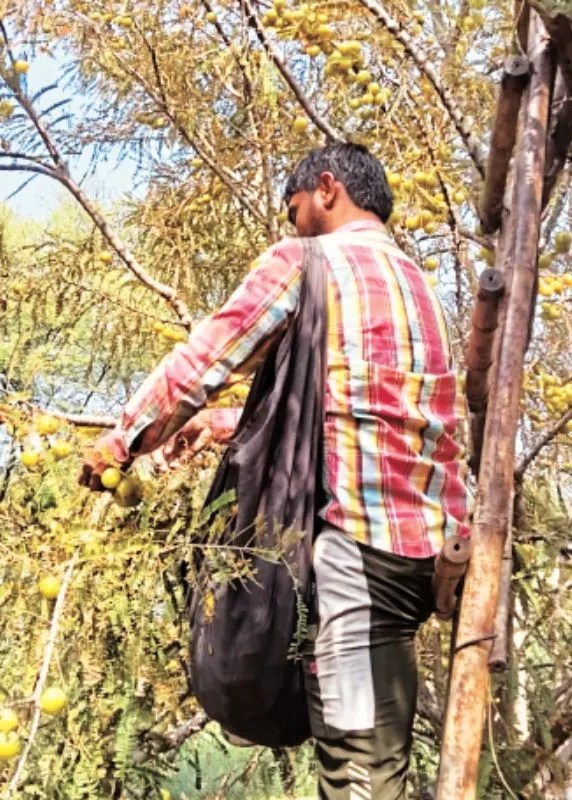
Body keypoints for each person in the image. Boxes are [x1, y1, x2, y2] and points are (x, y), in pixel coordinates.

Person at [79, 142, 473, 799]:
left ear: (326, 188)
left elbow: (209, 355)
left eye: (295, 209)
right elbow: (360, 414)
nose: (292, 226)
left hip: (351, 562)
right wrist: (220, 426)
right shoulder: (417, 287)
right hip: (418, 562)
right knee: (375, 755)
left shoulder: (307, 260)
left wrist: (122, 442)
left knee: (359, 780)